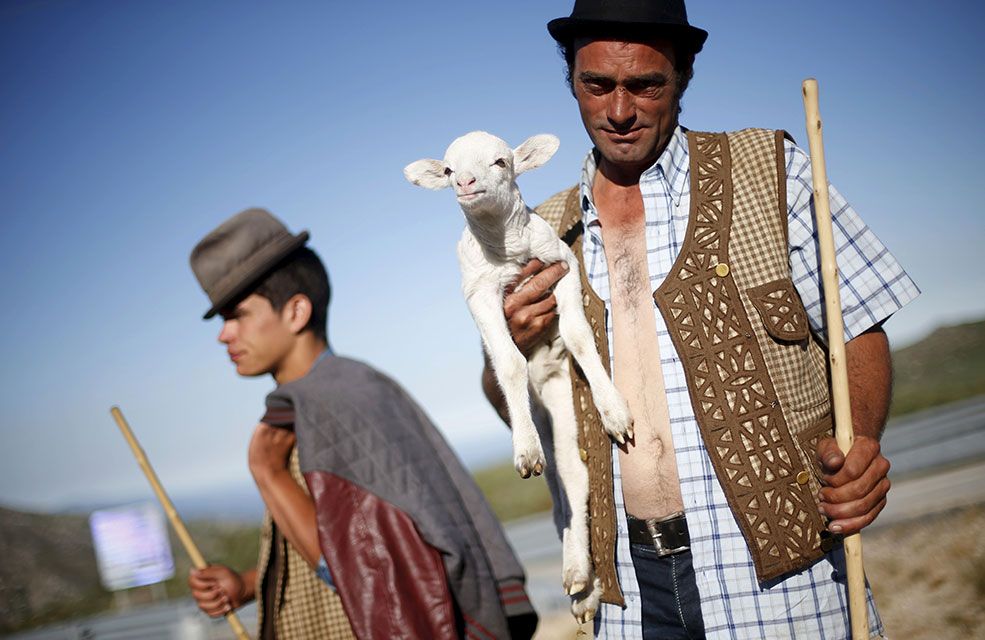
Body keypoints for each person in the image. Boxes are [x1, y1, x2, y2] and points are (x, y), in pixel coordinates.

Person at [481, 1, 919, 638]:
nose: (619, 110)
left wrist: (864, 446)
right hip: (626, 596)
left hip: (782, 578)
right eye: (596, 84)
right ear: (571, 80)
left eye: (645, 84)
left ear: (684, 75)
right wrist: (515, 349)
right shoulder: (539, 231)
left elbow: (858, 324)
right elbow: (509, 396)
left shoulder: (773, 171)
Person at [188, 208, 537, 639]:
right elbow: (350, 540)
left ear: (296, 311)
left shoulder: (341, 400)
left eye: (237, 315)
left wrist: (268, 473)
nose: (224, 335)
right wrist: (245, 584)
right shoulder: (311, 405)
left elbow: (374, 574)